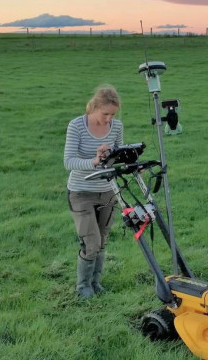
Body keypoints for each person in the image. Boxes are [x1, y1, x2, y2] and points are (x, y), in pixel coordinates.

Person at [63, 84, 123, 299]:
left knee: (102, 240)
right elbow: (69, 161)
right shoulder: (76, 126)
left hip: (107, 191)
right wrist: (95, 161)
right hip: (81, 192)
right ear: (94, 107)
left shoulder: (117, 127)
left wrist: (122, 158)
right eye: (105, 114)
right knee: (91, 242)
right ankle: (83, 288)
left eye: (112, 115)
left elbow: (118, 156)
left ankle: (96, 283)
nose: (109, 119)